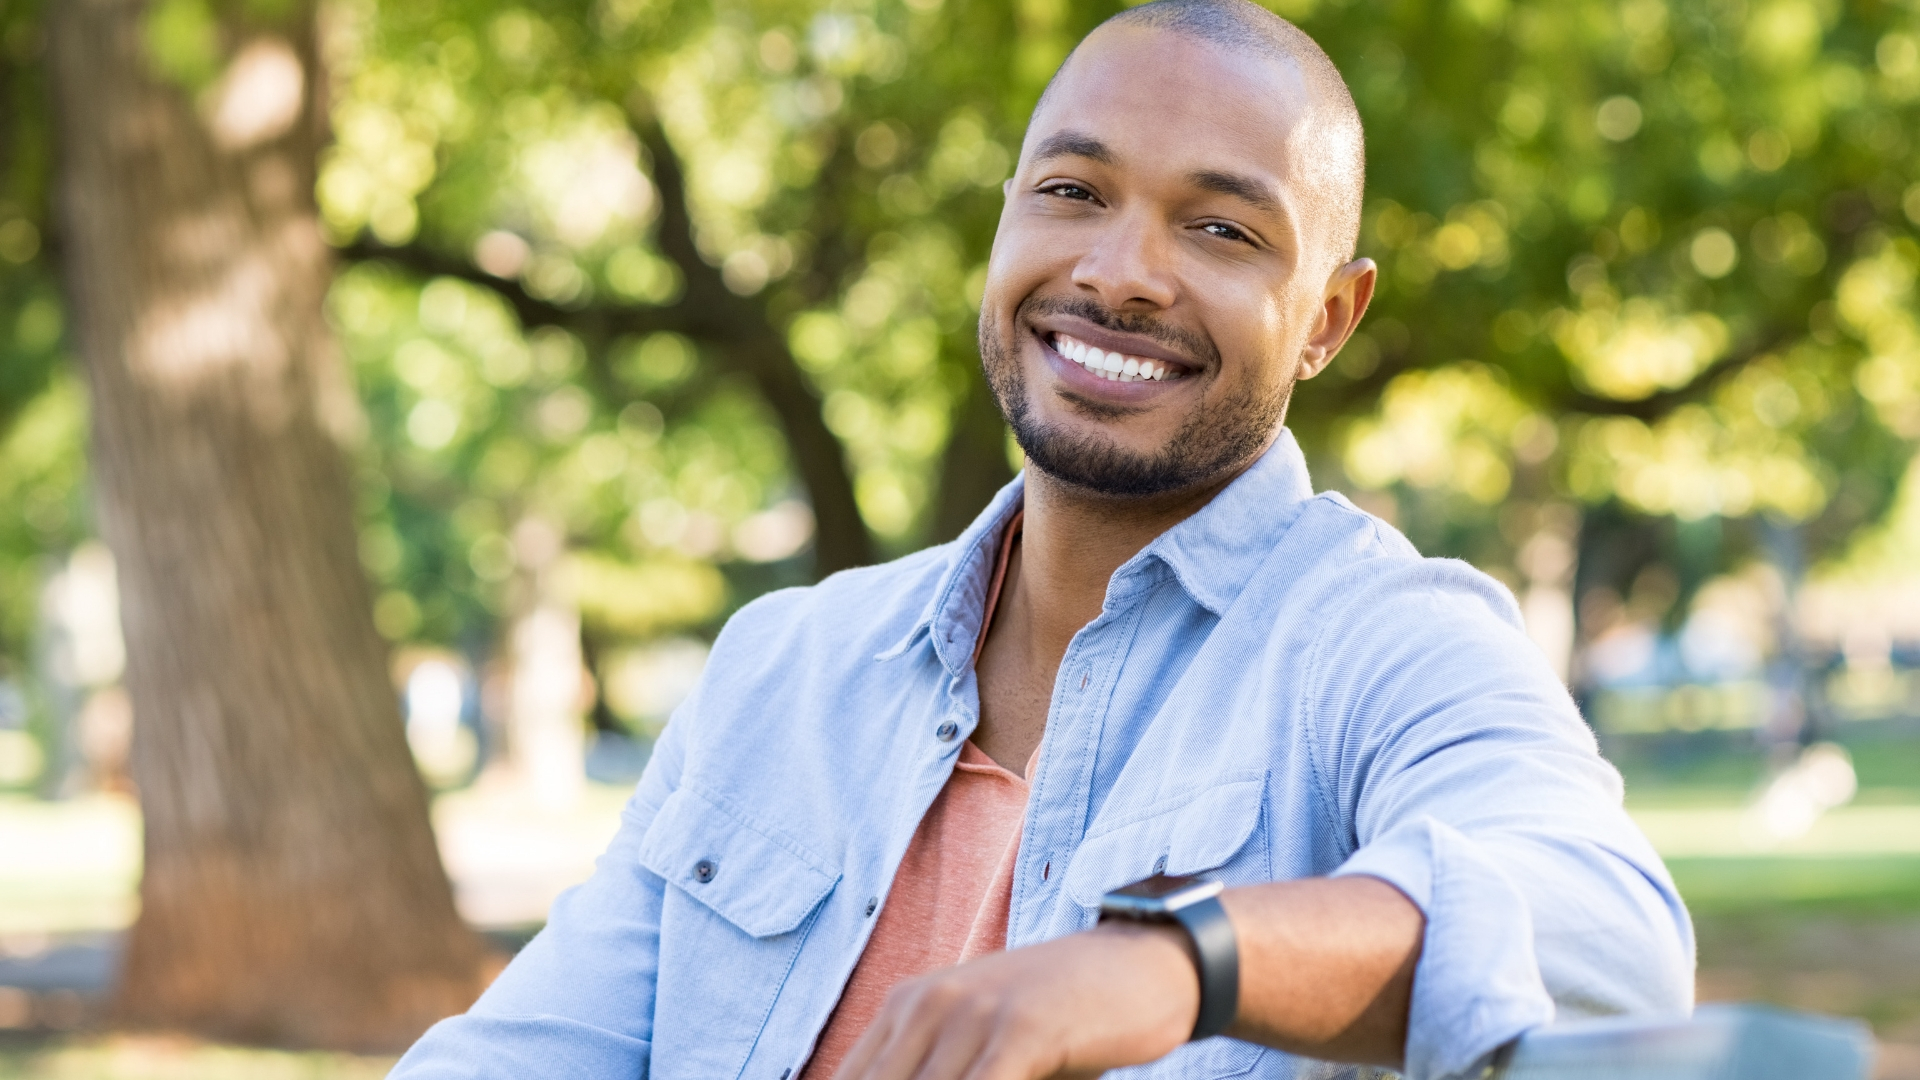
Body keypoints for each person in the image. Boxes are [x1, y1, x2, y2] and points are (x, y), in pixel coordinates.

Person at [390, 1, 1694, 1077]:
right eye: (1074, 191)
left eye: (1223, 228)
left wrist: (1179, 964)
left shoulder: (1382, 647)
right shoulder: (782, 667)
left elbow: (1608, 942)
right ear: (1005, 222)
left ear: (1327, 322)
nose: (1123, 271)